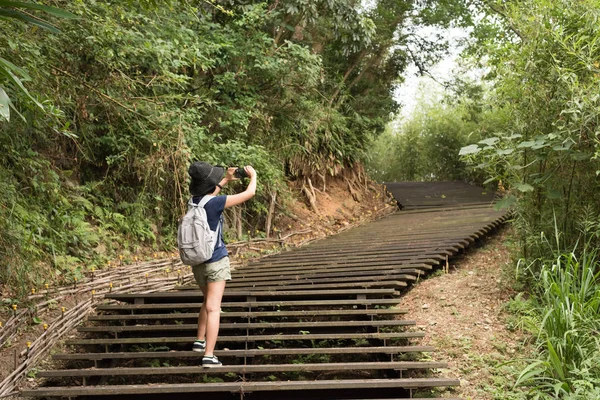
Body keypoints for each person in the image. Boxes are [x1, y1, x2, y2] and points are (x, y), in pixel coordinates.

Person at [186, 161, 257, 367]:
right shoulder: (215, 203)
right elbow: (248, 194)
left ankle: (200, 341)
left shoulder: (194, 201)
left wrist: (225, 179)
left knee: (207, 301)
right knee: (214, 308)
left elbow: (210, 195)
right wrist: (252, 177)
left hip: (198, 262)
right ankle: (209, 354)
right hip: (215, 260)